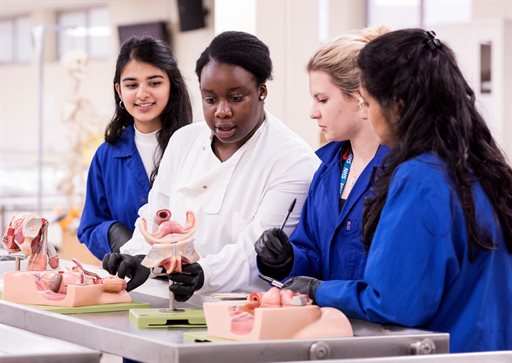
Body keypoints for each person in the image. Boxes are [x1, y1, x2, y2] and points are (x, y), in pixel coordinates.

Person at [280, 29, 512, 352]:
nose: (365, 113)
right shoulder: (482, 167)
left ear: (398, 106)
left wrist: (319, 290)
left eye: (368, 103)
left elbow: (393, 302)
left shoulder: (420, 179)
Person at [102, 31, 320, 298]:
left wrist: (204, 273)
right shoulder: (184, 141)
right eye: (210, 99)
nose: (222, 111)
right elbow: (155, 215)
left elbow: (255, 250)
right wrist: (136, 257)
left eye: (236, 98)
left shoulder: (293, 160)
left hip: (245, 311)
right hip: (169, 301)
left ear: (261, 92)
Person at [255, 27, 388, 284]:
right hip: (333, 320)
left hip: (384, 322)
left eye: (322, 99)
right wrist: (287, 259)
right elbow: (312, 253)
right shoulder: (326, 167)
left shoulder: (402, 171)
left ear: (360, 98)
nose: (313, 112)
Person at [78, 35, 192, 261]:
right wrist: (112, 233)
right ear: (119, 90)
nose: (142, 94)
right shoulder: (107, 156)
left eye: (154, 82)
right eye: (132, 85)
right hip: (131, 283)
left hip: (189, 279)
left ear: (172, 85)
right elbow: (90, 228)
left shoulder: (196, 147)